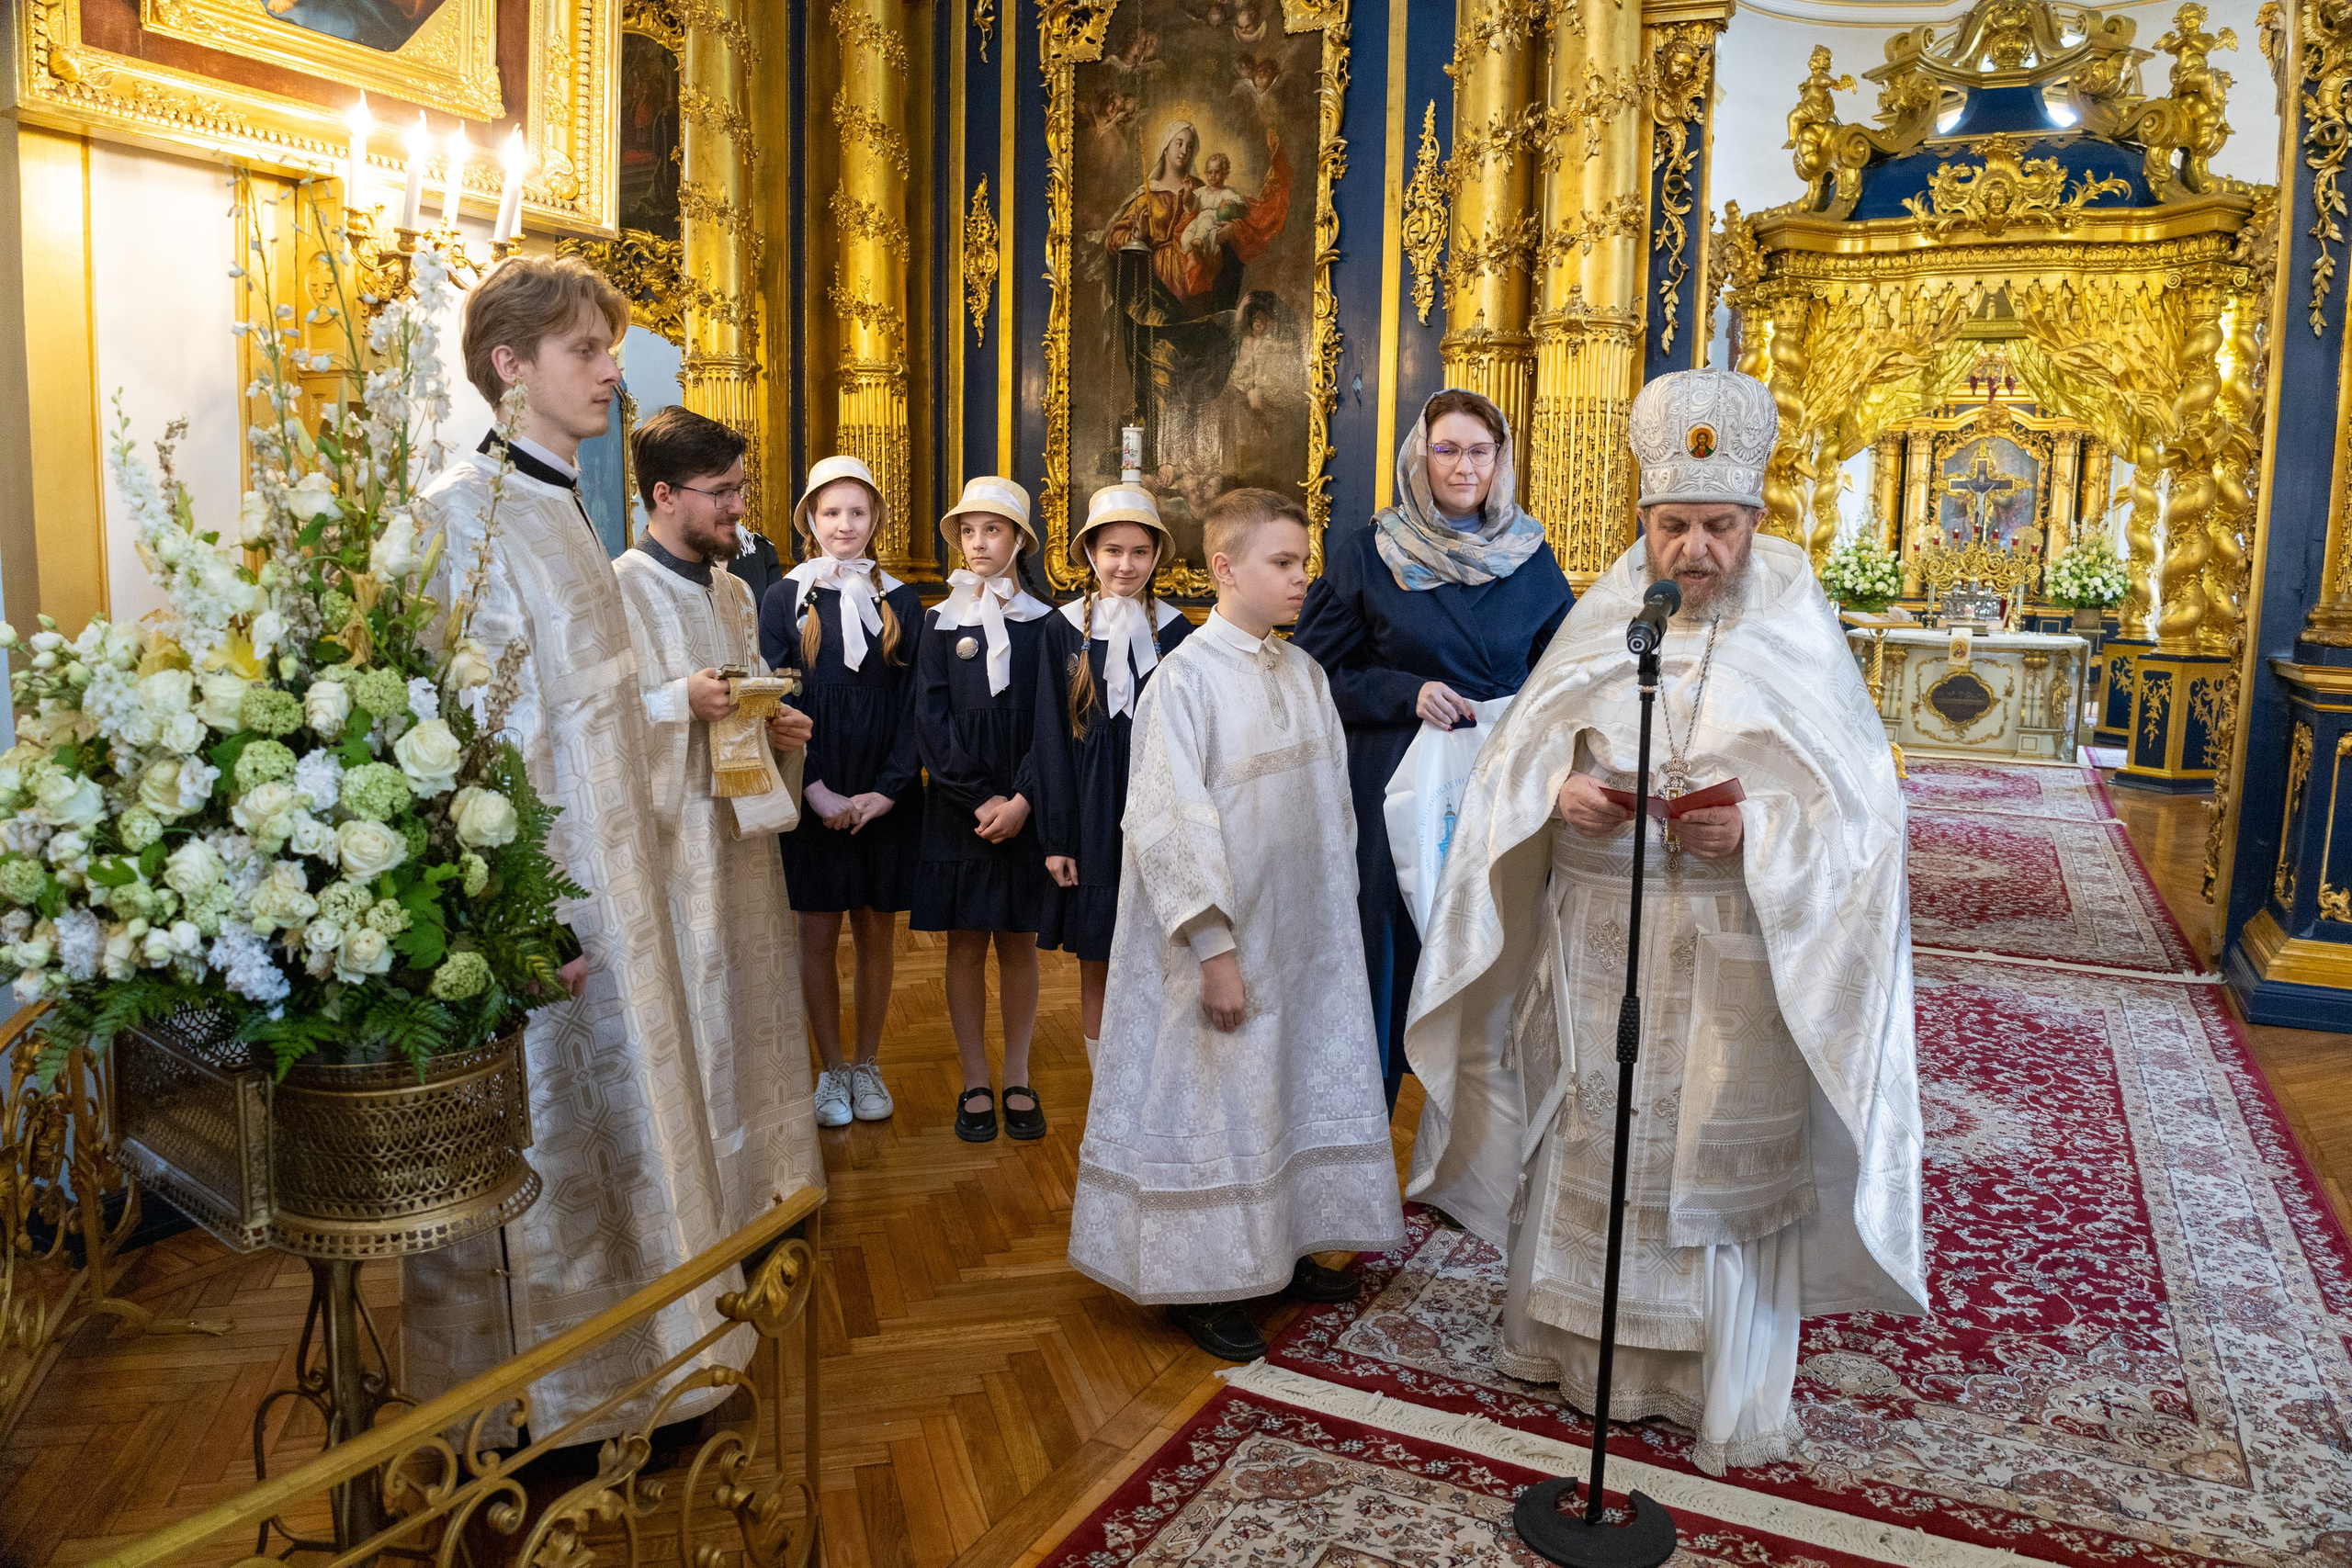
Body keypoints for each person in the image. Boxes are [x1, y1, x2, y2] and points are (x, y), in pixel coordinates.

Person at [1402, 368, 1928, 1475]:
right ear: (1644, 526)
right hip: (1599, 931)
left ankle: (1704, 1380)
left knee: (1703, 1155)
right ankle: (1575, 1357)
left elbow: (1863, 817)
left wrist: (1763, 834)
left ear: (1754, 523)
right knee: (1596, 1126)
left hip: (1736, 950)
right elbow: (1518, 755)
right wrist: (1555, 792)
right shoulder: (1609, 620)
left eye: (1718, 526)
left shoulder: (1795, 626)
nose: (1696, 549)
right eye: (1674, 525)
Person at [406, 257, 744, 1443]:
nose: (615, 371)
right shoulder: (464, 516)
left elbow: (595, 718)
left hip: (619, 886)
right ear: (511, 364)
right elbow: (477, 745)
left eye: (609, 347)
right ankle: (541, 1406)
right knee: (548, 1145)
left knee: (628, 1128)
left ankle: (643, 1370)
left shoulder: (560, 502)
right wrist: (528, 920)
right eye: (588, 351)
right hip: (546, 912)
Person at [1069, 488, 1405, 1362]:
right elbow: (1169, 826)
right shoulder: (1183, 680)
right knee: (1213, 1102)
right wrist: (1216, 952)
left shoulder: (1304, 673)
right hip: (1222, 945)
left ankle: (1282, 1246)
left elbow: (1333, 806)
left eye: (1304, 563)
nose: (1302, 580)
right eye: (1283, 563)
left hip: (1306, 935)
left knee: (1286, 1086)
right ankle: (1199, 1278)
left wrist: (1337, 923)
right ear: (1225, 567)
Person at [1292, 388, 1572, 1111]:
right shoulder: (1367, 554)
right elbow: (1312, 675)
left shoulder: (1531, 557)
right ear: (1419, 455)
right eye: (1445, 448)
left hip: (1501, 789)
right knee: (1389, 955)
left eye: (1480, 450)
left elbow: (1564, 673)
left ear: (1501, 459)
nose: (1462, 465)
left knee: (1493, 948)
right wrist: (1405, 691)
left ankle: (1476, 1143)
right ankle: (1365, 1131)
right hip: (1397, 793)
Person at [611, 404, 825, 1215]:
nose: (739, 507)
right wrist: (677, 701)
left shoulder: (738, 593)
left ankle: (767, 1186)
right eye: (722, 492)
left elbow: (746, 715)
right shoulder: (619, 591)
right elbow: (592, 732)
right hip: (678, 856)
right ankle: (704, 1205)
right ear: (665, 495)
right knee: (701, 1013)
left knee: (755, 1008)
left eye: (740, 488)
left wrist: (780, 732)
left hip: (744, 846)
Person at [762, 456, 924, 1129]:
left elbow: (917, 701)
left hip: (885, 794)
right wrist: (818, 791)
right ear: (810, 519)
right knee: (818, 932)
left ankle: (866, 1061)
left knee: (876, 930)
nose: (844, 525)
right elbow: (777, 701)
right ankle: (830, 1067)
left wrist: (888, 790)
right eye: (831, 512)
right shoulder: (784, 598)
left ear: (876, 520)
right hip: (815, 789)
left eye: (858, 512)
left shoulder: (903, 600)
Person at [914, 477, 1055, 1143]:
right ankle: (975, 1076)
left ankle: (1019, 1071)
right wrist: (980, 797)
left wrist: (1023, 798)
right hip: (958, 805)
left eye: (993, 530)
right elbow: (931, 721)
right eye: (968, 531)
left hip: (1026, 803)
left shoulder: (1047, 625)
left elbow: (1052, 724)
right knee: (967, 942)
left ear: (1020, 540)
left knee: (1019, 942)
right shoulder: (938, 622)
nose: (978, 542)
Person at [1034, 486, 1195, 1065]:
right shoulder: (1060, 632)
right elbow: (1049, 739)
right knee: (1098, 957)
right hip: (1089, 810)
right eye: (1112, 551)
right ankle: (1106, 1083)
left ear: (1156, 559)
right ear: (1090, 555)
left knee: (1160, 953)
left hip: (1156, 805)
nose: (1125, 565)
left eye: (1139, 552)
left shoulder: (1179, 635)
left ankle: (1155, 1076)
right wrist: (1057, 838)